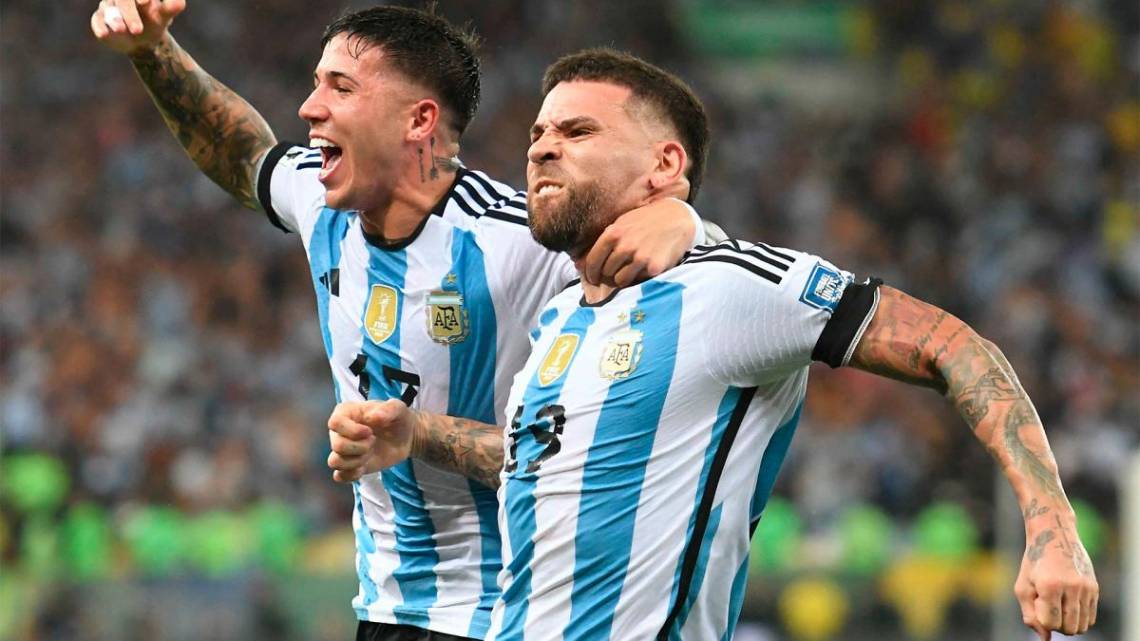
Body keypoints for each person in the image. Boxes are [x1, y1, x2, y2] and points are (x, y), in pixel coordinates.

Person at [326, 49, 1100, 641]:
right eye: (537, 132)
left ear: (667, 165)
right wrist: (414, 431)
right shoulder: (561, 316)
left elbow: (955, 346)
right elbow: (552, 466)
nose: (540, 148)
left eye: (577, 130)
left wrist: (1051, 528)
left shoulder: (728, 287)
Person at [90, 3, 720, 640]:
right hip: (386, 612)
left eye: (341, 87)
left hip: (508, 613)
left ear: (419, 120)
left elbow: (588, 446)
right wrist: (153, 48)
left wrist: (685, 220)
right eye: (316, 83)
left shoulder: (522, 241)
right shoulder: (324, 200)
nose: (310, 107)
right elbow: (244, 153)